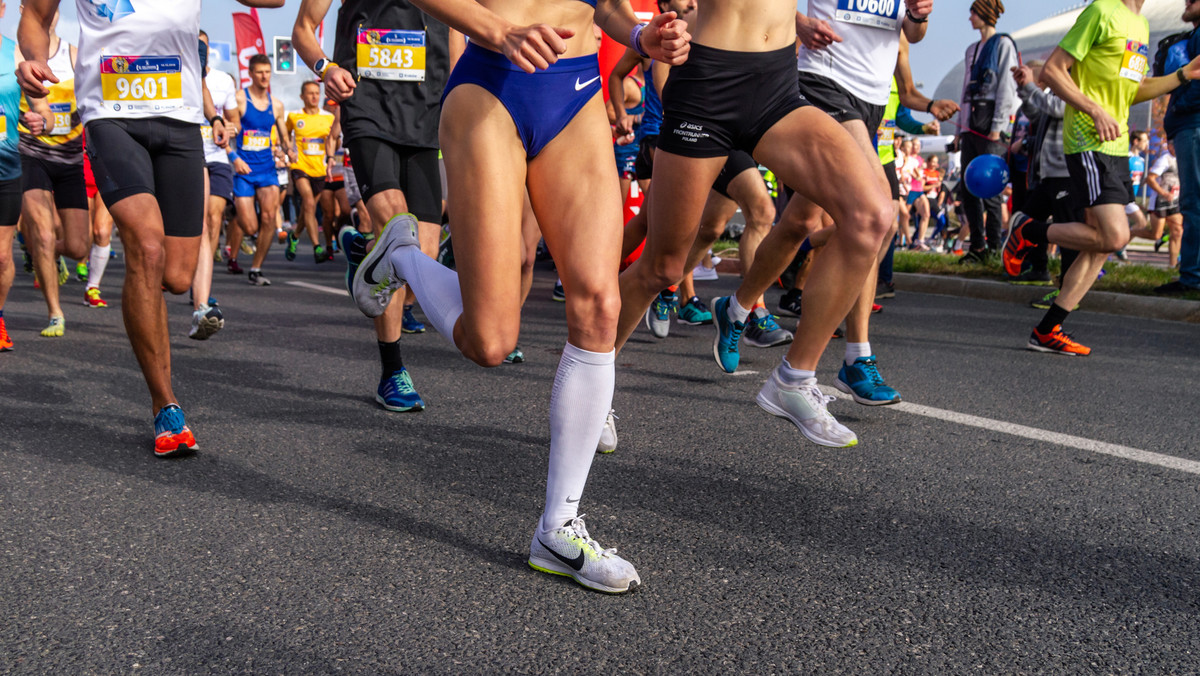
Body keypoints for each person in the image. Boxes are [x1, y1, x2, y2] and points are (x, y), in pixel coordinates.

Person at [345, 0, 688, 593]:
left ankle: (559, 528)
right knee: (490, 341)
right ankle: (400, 253)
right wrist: (499, 30)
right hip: (491, 82)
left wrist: (638, 34)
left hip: (574, 88)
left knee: (600, 304)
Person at [18, 0, 283, 455]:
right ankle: (166, 405)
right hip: (110, 113)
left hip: (178, 120)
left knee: (178, 277)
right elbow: (36, 15)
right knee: (146, 245)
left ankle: (147, 310)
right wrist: (34, 59)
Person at [1004, 0, 1200, 354]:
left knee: (1097, 246)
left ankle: (1047, 330)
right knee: (1114, 236)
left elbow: (1132, 91)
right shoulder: (1101, 11)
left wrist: (1183, 75)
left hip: (1116, 144)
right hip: (1087, 139)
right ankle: (1026, 230)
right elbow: (1052, 71)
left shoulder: (1138, 24)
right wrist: (1094, 109)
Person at [294, 0, 461, 413]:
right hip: (367, 103)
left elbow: (458, 32)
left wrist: (460, 97)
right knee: (396, 230)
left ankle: (364, 257)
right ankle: (392, 372)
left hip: (427, 111)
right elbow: (303, 28)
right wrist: (325, 68)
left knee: (419, 263)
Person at [17, 9, 86, 338]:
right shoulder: (18, 57)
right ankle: (55, 313)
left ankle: (43, 250)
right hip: (32, 155)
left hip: (70, 160)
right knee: (44, 234)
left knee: (78, 247)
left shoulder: (75, 55)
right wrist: (33, 121)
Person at [958, 0, 1019, 263]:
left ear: (984, 14)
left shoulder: (1004, 44)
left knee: (991, 187)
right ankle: (977, 246)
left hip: (991, 127)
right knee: (967, 185)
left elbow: (1007, 87)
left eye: (973, 12)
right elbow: (965, 90)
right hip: (971, 125)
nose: (970, 17)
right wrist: (961, 126)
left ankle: (995, 246)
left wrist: (998, 126)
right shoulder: (971, 50)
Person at [193, 28, 238, 340]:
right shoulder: (178, 71)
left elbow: (233, 117)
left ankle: (201, 298)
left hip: (217, 155)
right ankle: (190, 276)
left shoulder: (223, 80)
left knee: (212, 218)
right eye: (196, 46)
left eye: (204, 47)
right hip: (186, 152)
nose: (200, 51)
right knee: (194, 224)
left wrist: (227, 126)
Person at [233, 53, 290, 287]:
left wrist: (289, 150)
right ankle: (243, 238)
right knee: (250, 226)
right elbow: (231, 132)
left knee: (269, 218)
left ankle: (256, 268)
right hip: (244, 170)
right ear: (251, 74)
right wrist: (234, 158)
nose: (264, 76)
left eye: (267, 71)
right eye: (259, 72)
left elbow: (284, 137)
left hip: (267, 169)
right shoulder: (239, 100)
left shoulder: (276, 105)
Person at [1156, 0, 1200, 295]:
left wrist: (1178, 111)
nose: (1187, 2)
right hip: (1190, 125)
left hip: (1194, 125)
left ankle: (1192, 277)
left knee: (1193, 202)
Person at [283, 80, 336, 264]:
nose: (314, 96)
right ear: (302, 96)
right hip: (300, 166)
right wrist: (288, 150)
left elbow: (333, 140)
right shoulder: (294, 116)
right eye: (310, 93)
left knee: (309, 208)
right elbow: (283, 136)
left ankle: (295, 236)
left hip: (319, 168)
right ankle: (317, 247)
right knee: (307, 201)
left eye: (316, 93)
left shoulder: (328, 118)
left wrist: (330, 157)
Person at [0, 0, 20, 352]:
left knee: (1, 256)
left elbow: (44, 111)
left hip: (8, 166)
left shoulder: (16, 54)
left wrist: (41, 118)